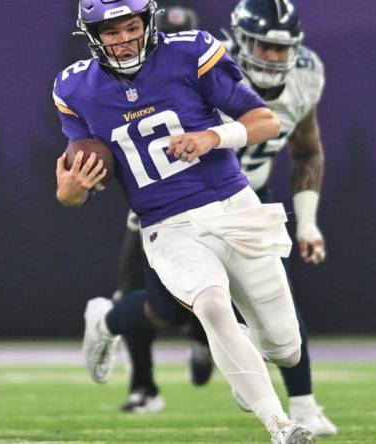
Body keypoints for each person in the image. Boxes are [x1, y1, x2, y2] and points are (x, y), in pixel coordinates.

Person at [54, 1, 313, 442]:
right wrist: (71, 192)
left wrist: (212, 136)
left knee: (285, 349)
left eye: (131, 27)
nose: (123, 40)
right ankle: (280, 425)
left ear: (147, 22)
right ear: (93, 35)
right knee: (211, 305)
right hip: (166, 224)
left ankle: (246, 363)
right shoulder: (75, 88)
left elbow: (264, 122)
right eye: (110, 32)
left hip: (234, 207)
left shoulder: (190, 52)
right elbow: (75, 182)